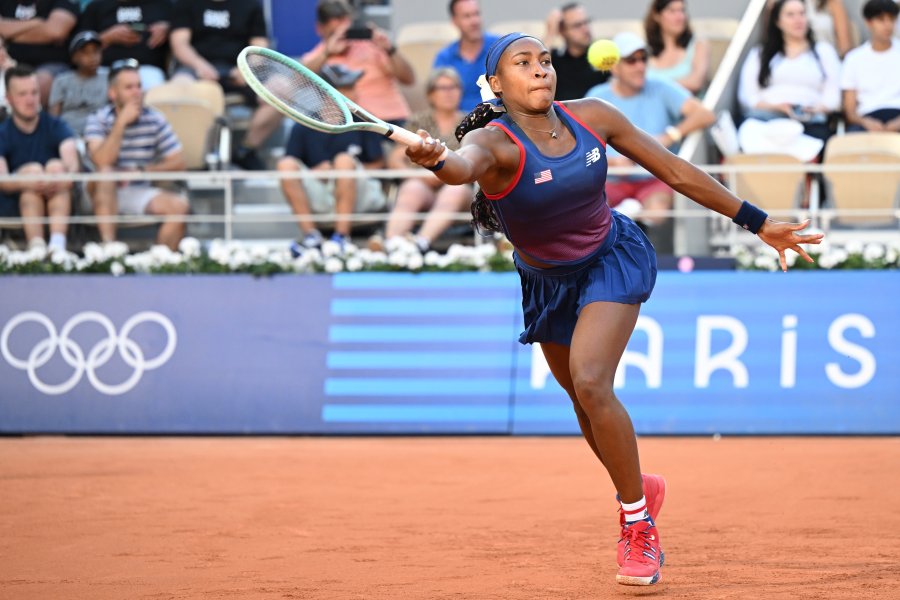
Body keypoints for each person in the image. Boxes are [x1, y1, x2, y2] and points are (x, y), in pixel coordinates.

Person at [404, 32, 823, 587]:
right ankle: (639, 487)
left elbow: (674, 170)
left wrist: (756, 220)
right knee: (582, 401)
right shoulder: (495, 143)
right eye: (523, 64)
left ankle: (636, 524)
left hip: (610, 258)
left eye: (546, 61)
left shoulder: (594, 116)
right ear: (498, 85)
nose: (540, 71)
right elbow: (463, 168)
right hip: (546, 282)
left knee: (592, 381)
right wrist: (436, 161)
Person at [586, 32, 715, 232]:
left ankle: (628, 222)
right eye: (631, 60)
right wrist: (613, 162)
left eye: (643, 58)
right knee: (589, 211)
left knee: (656, 211)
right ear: (614, 66)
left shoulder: (660, 86)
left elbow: (705, 115)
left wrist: (669, 136)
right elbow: (581, 146)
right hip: (610, 180)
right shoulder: (596, 97)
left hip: (654, 178)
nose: (640, 66)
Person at [276, 64, 386, 256]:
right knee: (285, 164)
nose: (354, 91)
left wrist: (343, 171)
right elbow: (292, 164)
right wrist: (316, 173)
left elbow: (379, 163)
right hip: (320, 195)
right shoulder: (303, 125)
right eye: (347, 87)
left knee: (344, 160)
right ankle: (311, 236)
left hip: (360, 194)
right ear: (328, 93)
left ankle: (341, 237)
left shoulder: (366, 121)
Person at [84, 58, 189, 250]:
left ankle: (158, 262)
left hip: (136, 189)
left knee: (179, 207)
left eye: (139, 86)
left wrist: (141, 170)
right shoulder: (98, 119)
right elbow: (101, 160)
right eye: (129, 87)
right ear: (112, 93)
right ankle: (111, 251)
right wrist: (121, 123)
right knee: (106, 173)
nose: (137, 92)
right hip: (98, 192)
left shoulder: (154, 118)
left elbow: (179, 161)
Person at [169, 0, 282, 170]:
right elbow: (179, 44)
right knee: (177, 88)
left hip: (239, 69)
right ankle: (191, 157)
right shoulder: (187, 3)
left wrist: (245, 67)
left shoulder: (250, 5)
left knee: (280, 91)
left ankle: (246, 151)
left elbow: (259, 45)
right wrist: (200, 65)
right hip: (196, 67)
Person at [377, 68, 471, 253]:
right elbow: (396, 157)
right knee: (412, 188)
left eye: (454, 88)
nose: (449, 93)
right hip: (423, 184)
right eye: (442, 88)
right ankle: (391, 246)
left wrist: (443, 174)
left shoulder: (472, 122)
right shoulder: (418, 121)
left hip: (459, 186)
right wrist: (415, 175)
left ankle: (420, 244)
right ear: (431, 94)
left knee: (454, 191)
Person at [739, 0, 841, 144]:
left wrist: (815, 109)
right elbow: (747, 96)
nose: (798, 19)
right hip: (765, 119)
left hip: (809, 122)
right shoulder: (760, 53)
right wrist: (778, 107)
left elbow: (833, 96)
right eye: (790, 15)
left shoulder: (824, 52)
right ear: (778, 21)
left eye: (802, 13)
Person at [0, 65, 78, 252]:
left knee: (56, 167)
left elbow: (72, 165)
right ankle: (37, 248)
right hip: (16, 202)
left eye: (34, 93)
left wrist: (57, 178)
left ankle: (56, 248)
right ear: (8, 99)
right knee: (32, 174)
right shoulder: (3, 133)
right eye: (22, 94)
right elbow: (2, 181)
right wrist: (30, 181)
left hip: (58, 194)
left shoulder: (55, 125)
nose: (30, 100)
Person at [301, 0, 414, 126]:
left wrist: (390, 50)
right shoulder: (317, 56)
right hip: (350, 125)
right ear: (319, 29)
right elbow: (297, 81)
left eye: (345, 31)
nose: (340, 35)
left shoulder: (373, 46)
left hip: (392, 119)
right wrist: (327, 53)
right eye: (333, 33)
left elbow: (409, 79)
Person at [78, 0, 176, 90]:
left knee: (154, 88)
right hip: (104, 69)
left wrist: (169, 29)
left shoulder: (163, 5)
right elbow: (78, 47)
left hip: (148, 70)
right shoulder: (97, 6)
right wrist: (107, 37)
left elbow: (183, 34)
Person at [0, 0, 80, 106]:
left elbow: (55, 32)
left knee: (36, 84)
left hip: (50, 64)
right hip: (7, 61)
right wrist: (37, 22)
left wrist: (8, 34)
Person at [840, 0, 900, 132]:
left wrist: (897, 123)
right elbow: (850, 110)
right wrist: (866, 122)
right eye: (881, 19)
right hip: (866, 119)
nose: (887, 25)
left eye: (891, 19)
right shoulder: (853, 59)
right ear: (868, 22)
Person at [433, 0, 501, 111]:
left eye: (476, 14)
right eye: (467, 16)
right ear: (454, 21)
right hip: (460, 123)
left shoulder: (499, 48)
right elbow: (437, 98)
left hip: (498, 120)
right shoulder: (445, 58)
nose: (474, 21)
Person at [542, 2, 609, 101]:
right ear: (562, 31)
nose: (585, 29)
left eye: (586, 22)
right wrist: (550, 33)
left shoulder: (603, 57)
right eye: (578, 25)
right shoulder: (554, 60)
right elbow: (537, 67)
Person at [644, 0, 711, 95]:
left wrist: (653, 86)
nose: (680, 17)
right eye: (672, 11)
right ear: (657, 15)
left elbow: (695, 83)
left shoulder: (698, 45)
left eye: (682, 10)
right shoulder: (646, 51)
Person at [48, 30, 107, 136]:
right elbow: (54, 117)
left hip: (100, 134)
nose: (92, 57)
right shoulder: (61, 81)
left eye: (96, 51)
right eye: (86, 52)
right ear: (74, 57)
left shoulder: (109, 78)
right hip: (68, 135)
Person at [767, 0, 854, 57]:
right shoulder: (779, 3)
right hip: (788, 60)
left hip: (825, 62)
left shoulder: (832, 3)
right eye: (790, 14)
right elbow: (772, 38)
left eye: (802, 13)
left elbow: (845, 46)